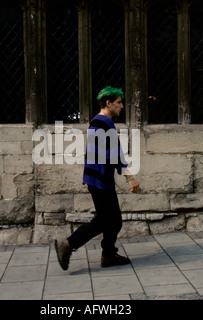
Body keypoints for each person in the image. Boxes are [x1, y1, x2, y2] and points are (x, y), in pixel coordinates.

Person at [55, 86, 140, 271]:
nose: (122, 106)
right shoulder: (103, 123)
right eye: (118, 102)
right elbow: (115, 153)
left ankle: (108, 255)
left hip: (100, 179)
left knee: (114, 219)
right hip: (99, 180)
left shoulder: (99, 122)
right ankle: (67, 244)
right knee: (105, 219)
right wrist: (130, 177)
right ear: (108, 103)